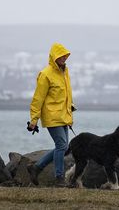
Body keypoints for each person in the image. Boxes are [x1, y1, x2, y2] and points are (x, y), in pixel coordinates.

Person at [26, 42, 75, 186]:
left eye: (65, 55)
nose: (64, 58)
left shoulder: (65, 72)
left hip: (64, 115)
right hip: (52, 116)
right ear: (54, 57)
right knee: (61, 145)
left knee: (65, 148)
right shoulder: (45, 74)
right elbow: (38, 98)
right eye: (61, 56)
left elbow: (66, 94)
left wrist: (71, 107)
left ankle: (36, 168)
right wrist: (34, 120)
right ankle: (59, 178)